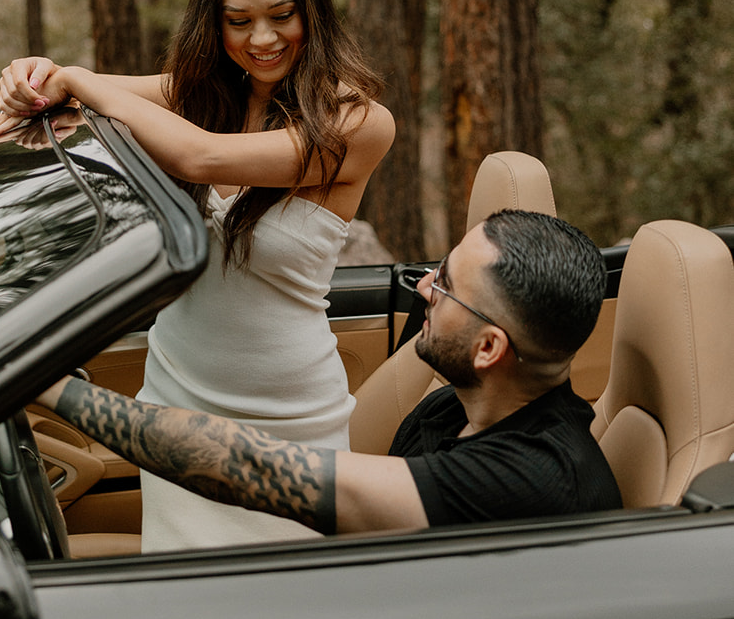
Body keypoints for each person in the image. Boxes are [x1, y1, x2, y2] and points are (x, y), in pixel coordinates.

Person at [0, 0, 395, 550]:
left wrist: (82, 81)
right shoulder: (197, 95)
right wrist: (31, 79)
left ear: (313, 8)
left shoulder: (358, 123)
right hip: (176, 412)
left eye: (282, 15)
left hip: (291, 433)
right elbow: (59, 92)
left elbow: (203, 158)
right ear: (213, 19)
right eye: (238, 21)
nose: (262, 40)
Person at [32, 209, 623, 538]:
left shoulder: (532, 480)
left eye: (442, 287)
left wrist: (55, 390)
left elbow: (250, 467)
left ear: (490, 348)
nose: (423, 288)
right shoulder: (457, 407)